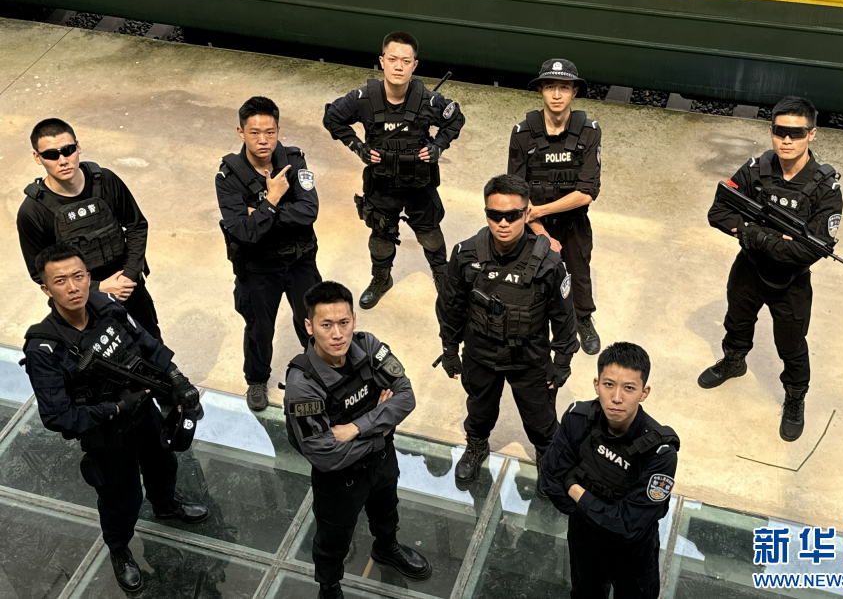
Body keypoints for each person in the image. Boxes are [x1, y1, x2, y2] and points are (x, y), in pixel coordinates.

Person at [21, 243, 208, 593]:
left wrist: (176, 378)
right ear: (46, 289)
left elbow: (147, 343)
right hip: (106, 435)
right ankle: (120, 550)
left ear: (89, 277)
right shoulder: (44, 348)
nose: (73, 287)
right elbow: (57, 416)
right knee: (121, 498)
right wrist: (116, 409)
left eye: (78, 276)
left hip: (144, 411)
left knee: (163, 464)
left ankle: (166, 506)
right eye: (60, 281)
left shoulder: (106, 306)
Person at [701, 96, 843, 442]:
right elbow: (718, 212)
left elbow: (810, 250)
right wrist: (763, 235)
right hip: (748, 271)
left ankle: (795, 398)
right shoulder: (756, 170)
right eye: (780, 131)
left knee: (791, 346)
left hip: (791, 284)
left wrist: (755, 235)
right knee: (736, 323)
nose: (787, 140)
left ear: (812, 134)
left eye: (797, 133)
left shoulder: (825, 188)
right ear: (771, 131)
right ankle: (734, 361)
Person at [284, 281, 430, 599]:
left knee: (387, 509)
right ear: (309, 326)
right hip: (340, 478)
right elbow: (325, 454)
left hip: (380, 460)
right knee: (333, 538)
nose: (337, 334)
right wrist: (380, 429)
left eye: (344, 322)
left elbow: (406, 397)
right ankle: (329, 586)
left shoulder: (368, 345)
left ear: (354, 320)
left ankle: (386, 547)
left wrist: (356, 427)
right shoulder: (303, 384)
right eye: (326, 325)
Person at [436, 174, 578, 487]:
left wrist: (562, 361)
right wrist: (449, 348)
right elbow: (450, 306)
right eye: (494, 214)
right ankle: (476, 445)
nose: (503, 223)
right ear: (486, 213)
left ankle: (547, 456)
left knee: (541, 417)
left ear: (526, 214)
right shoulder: (466, 255)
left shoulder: (549, 263)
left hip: (530, 355)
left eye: (512, 215)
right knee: (479, 408)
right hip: (480, 351)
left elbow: (563, 316)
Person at [322, 31, 466, 308]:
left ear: (415, 65)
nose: (398, 66)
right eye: (392, 59)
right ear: (382, 61)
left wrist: (438, 147)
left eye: (405, 61)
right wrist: (358, 147)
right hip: (382, 184)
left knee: (430, 234)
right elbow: (332, 118)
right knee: (380, 236)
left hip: (420, 184)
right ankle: (381, 278)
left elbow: (455, 119)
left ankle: (442, 275)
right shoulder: (363, 98)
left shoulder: (428, 100)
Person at [542, 342, 679, 599]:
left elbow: (628, 528)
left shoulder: (660, 453)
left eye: (629, 388)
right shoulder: (577, 419)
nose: (617, 398)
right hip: (584, 540)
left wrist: (575, 489)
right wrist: (607, 516)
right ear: (597, 385)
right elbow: (550, 480)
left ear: (644, 392)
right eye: (609, 384)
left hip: (633, 554)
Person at [216, 96, 322, 411]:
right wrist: (274, 200)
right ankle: (257, 379)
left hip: (300, 260)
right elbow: (244, 232)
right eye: (254, 132)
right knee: (260, 329)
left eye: (270, 132)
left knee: (311, 321)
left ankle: (320, 373)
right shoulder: (228, 178)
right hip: (259, 267)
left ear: (277, 130)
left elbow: (309, 211)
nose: (263, 140)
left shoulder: (294, 161)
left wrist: (262, 212)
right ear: (241, 132)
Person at [17, 118, 162, 340]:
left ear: (78, 147)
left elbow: (136, 225)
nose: (63, 161)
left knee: (152, 350)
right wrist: (97, 288)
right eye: (51, 155)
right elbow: (40, 271)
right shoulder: (32, 211)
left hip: (129, 290)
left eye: (68, 150)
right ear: (37, 157)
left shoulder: (106, 180)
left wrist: (129, 276)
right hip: (81, 307)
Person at [508, 59, 602, 355]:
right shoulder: (522, 133)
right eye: (550, 87)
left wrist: (541, 211)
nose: (557, 95)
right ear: (541, 91)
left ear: (574, 91)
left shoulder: (589, 131)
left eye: (564, 87)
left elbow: (586, 193)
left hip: (573, 223)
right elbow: (516, 191)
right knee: (530, 277)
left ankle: (582, 319)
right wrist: (541, 232)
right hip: (533, 225)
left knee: (578, 273)